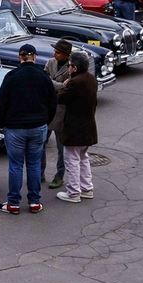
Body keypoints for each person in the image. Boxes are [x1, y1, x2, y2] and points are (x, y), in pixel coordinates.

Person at [0, 43, 57, 215]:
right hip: (38, 126)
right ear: (34, 57)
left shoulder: (11, 76)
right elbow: (53, 103)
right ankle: (34, 202)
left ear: (19, 57)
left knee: (15, 166)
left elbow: (1, 103)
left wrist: (3, 123)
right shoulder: (43, 76)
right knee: (34, 164)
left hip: (15, 127)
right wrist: (46, 121)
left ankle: (13, 203)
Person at [56, 50, 98, 203]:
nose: (68, 68)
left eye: (69, 65)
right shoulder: (91, 79)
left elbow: (61, 98)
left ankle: (73, 192)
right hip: (88, 126)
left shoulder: (75, 82)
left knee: (71, 160)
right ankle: (87, 188)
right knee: (83, 158)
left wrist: (64, 85)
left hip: (74, 128)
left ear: (75, 67)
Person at [43, 39, 72, 191]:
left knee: (62, 148)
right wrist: (61, 85)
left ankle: (59, 176)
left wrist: (53, 84)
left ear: (67, 55)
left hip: (62, 111)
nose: (55, 54)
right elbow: (45, 82)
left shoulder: (71, 67)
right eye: (54, 51)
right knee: (40, 144)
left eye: (58, 53)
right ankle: (40, 173)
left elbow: (70, 88)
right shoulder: (50, 62)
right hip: (47, 109)